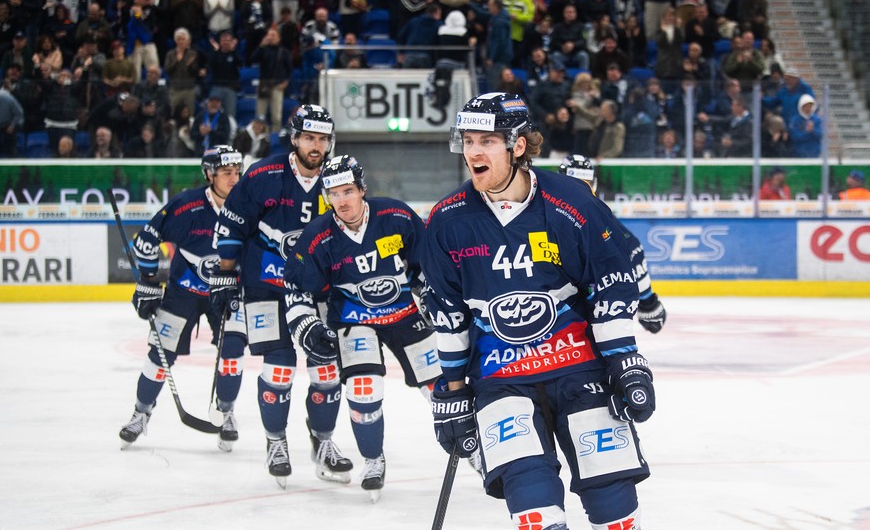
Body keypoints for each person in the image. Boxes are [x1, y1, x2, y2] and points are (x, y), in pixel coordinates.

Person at [422, 92, 654, 530]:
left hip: (580, 371)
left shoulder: (574, 204)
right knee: (535, 511)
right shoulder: (447, 221)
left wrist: (625, 360)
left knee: (615, 511)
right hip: (501, 380)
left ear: (519, 145)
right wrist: (451, 391)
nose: (473, 152)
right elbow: (448, 311)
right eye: (468, 140)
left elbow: (609, 283)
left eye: (487, 140)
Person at [282, 155, 442, 501]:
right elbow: (295, 288)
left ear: (362, 189)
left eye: (348, 191)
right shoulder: (316, 237)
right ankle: (373, 459)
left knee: (442, 387)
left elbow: (426, 264)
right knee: (364, 389)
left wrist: (431, 294)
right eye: (334, 193)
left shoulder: (396, 216)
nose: (342, 201)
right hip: (354, 318)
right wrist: (306, 325)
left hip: (403, 312)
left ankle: (476, 451)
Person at [210, 105, 352, 489]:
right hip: (264, 285)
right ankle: (276, 442)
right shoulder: (264, 173)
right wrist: (224, 276)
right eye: (310, 137)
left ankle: (321, 442)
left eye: (323, 139)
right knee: (279, 368)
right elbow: (232, 222)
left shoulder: (339, 179)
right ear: (295, 138)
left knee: (326, 371)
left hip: (318, 290)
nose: (316, 145)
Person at [118, 146, 244, 450]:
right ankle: (140, 413)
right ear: (209, 174)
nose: (234, 178)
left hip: (226, 292)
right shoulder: (187, 205)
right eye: (227, 173)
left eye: (237, 172)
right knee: (160, 356)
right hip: (182, 293)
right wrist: (148, 283)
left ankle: (225, 413)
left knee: (232, 353)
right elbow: (147, 240)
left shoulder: (247, 205)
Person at [559, 154, 667, 332]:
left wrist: (648, 302)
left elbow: (631, 249)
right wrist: (649, 304)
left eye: (585, 182)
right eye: (575, 182)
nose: (580, 188)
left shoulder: (595, 214)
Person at [788, 94, 822, 158]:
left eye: (810, 106)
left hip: (814, 153)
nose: (808, 108)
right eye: (806, 106)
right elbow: (795, 137)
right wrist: (807, 132)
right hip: (799, 154)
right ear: (801, 107)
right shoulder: (795, 120)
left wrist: (812, 130)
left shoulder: (817, 119)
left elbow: (820, 134)